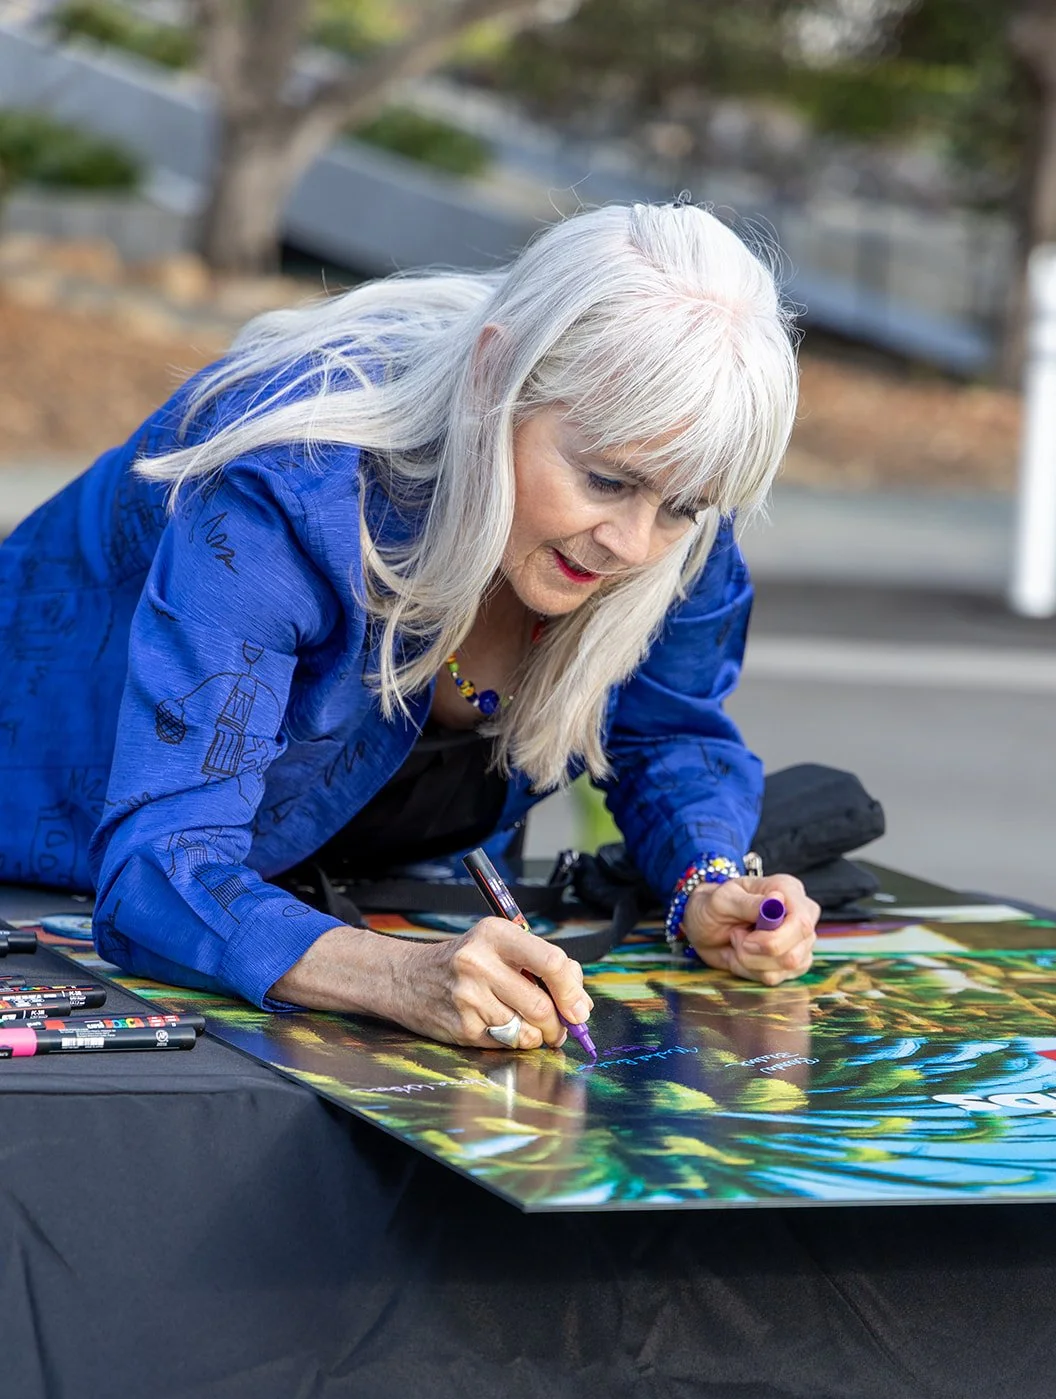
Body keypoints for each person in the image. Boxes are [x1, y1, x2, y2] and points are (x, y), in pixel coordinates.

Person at [0, 201, 819, 1050]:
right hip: (49, 859)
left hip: (364, 884)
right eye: (604, 482)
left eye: (681, 507)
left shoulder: (670, 496)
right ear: (492, 375)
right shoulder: (292, 482)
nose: (632, 545)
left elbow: (668, 734)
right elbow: (159, 866)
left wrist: (708, 880)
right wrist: (397, 974)